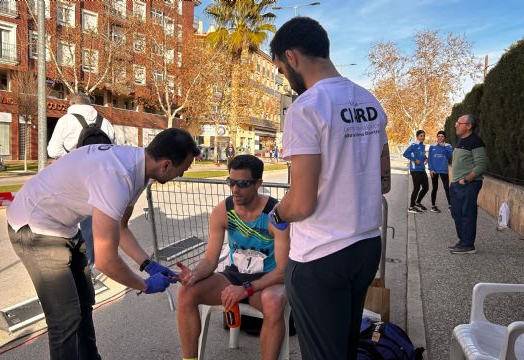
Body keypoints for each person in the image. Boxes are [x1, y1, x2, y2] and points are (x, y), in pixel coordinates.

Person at [6, 128, 200, 360]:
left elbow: (121, 228)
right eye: (182, 170)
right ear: (166, 165)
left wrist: (148, 264)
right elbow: (106, 260)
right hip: (35, 228)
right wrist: (144, 285)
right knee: (65, 318)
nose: (180, 176)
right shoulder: (117, 176)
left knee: (85, 302)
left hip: (65, 227)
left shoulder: (141, 169)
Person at [268, 17, 390, 360]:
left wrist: (277, 214)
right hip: (366, 245)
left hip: (320, 254)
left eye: (280, 69)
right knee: (345, 347)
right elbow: (384, 181)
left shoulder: (306, 108)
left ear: (291, 57)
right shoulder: (370, 101)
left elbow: (302, 203)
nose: (284, 78)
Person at [177, 155, 290, 360]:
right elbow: (211, 260)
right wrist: (194, 274)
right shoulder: (223, 210)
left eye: (243, 183)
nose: (235, 189)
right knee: (187, 291)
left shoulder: (275, 214)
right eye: (231, 182)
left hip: (266, 280)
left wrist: (247, 288)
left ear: (258, 184)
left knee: (273, 302)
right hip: (235, 276)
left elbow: (283, 270)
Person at [48, 93, 116, 275]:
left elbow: (53, 150)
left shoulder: (66, 120)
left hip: (74, 177)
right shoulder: (106, 122)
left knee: (67, 221)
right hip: (101, 179)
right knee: (93, 223)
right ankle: (92, 264)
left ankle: (73, 265)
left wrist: (71, 158)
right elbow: (113, 149)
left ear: (71, 103)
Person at [449, 114, 487, 254]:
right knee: (456, 213)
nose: (456, 125)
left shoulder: (475, 142)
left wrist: (466, 179)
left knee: (467, 214)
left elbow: (481, 165)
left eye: (459, 123)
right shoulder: (461, 140)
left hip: (468, 185)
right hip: (457, 185)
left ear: (469, 126)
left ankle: (468, 245)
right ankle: (462, 241)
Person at [403, 130, 429, 213]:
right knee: (416, 188)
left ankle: (417, 203)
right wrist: (414, 160)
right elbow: (405, 154)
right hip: (415, 170)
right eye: (421, 136)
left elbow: (422, 154)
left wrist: (425, 158)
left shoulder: (422, 146)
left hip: (422, 169)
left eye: (424, 136)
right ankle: (411, 207)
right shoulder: (414, 145)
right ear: (417, 137)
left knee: (426, 187)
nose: (423, 137)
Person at [428, 131, 453, 213]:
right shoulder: (432, 146)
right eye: (439, 136)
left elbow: (449, 156)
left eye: (442, 136)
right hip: (434, 170)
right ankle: (433, 206)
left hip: (443, 170)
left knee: (447, 188)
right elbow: (430, 158)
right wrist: (430, 169)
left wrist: (443, 147)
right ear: (437, 137)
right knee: (434, 188)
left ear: (444, 137)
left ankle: (450, 205)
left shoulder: (448, 146)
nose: (440, 138)